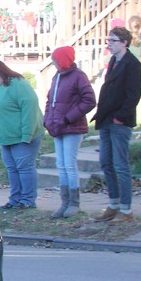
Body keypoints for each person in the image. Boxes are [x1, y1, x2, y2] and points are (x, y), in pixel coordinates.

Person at [90, 25, 141, 222]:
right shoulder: (113, 60)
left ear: (124, 43)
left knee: (121, 165)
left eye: (112, 41)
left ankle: (126, 209)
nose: (109, 44)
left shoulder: (132, 64)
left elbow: (133, 95)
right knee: (106, 162)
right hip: (106, 118)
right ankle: (113, 204)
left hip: (120, 120)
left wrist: (121, 115)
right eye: (108, 40)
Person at [43, 46, 96, 218]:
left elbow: (89, 101)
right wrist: (47, 120)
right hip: (57, 127)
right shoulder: (56, 77)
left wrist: (68, 118)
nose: (53, 63)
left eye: (56, 59)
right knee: (61, 165)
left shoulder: (78, 76)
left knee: (69, 165)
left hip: (72, 127)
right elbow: (50, 101)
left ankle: (74, 203)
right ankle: (64, 202)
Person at [0, 59, 44, 209]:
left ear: (1, 72)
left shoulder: (19, 84)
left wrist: (27, 135)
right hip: (6, 137)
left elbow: (29, 109)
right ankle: (15, 199)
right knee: (12, 168)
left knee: (24, 167)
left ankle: (28, 200)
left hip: (22, 137)